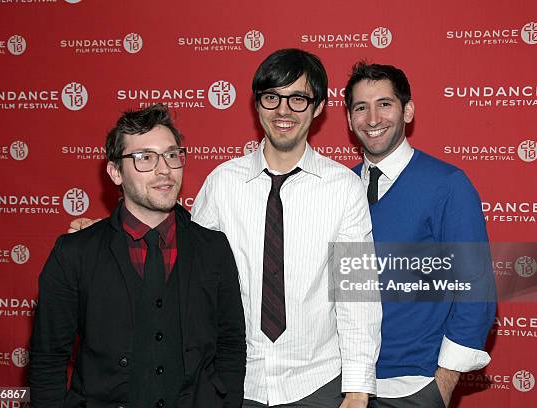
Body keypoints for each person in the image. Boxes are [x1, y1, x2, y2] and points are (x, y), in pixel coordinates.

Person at [69, 49, 381, 408]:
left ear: (319, 106)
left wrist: (357, 391)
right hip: (235, 386)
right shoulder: (223, 183)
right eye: (271, 98)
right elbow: (177, 248)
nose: (283, 111)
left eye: (297, 99)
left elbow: (358, 294)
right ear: (257, 105)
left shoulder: (344, 188)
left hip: (317, 384)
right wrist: (108, 233)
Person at [29, 104, 246, 408]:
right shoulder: (75, 254)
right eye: (145, 158)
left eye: (172, 155)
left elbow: (231, 346)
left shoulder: (213, 248)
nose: (164, 169)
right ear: (115, 172)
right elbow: (47, 361)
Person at [344, 62, 496, 407]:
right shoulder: (340, 187)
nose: (372, 118)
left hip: (414, 386)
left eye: (385, 104)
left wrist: (442, 384)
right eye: (360, 107)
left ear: (407, 111)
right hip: (345, 383)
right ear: (349, 119)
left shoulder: (447, 185)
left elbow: (476, 291)